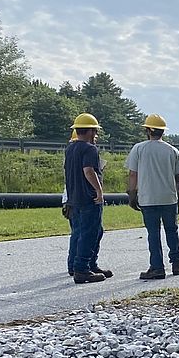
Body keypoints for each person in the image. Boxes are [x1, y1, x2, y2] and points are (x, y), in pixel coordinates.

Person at [126, 114, 179, 281]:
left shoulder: (139, 149)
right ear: (162, 132)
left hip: (148, 198)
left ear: (147, 130)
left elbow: (133, 174)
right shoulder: (172, 150)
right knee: (172, 231)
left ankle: (157, 268)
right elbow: (178, 178)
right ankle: (176, 264)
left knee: (153, 233)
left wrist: (132, 194)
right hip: (169, 198)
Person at [65, 113, 108, 284]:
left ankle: (88, 264)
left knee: (85, 232)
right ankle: (82, 269)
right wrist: (99, 191)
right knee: (90, 232)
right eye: (95, 131)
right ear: (90, 131)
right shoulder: (90, 149)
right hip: (89, 198)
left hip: (74, 197)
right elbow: (88, 170)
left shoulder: (70, 148)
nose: (96, 135)